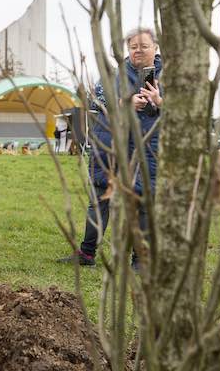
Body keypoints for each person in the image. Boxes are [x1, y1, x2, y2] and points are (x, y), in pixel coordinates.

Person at [59, 27, 163, 267]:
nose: (138, 51)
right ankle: (86, 254)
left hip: (144, 147)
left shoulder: (167, 75)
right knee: (99, 198)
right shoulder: (114, 74)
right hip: (109, 144)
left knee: (142, 201)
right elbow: (97, 101)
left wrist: (158, 100)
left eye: (144, 46)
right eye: (133, 47)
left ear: (155, 48)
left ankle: (140, 259)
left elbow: (180, 113)